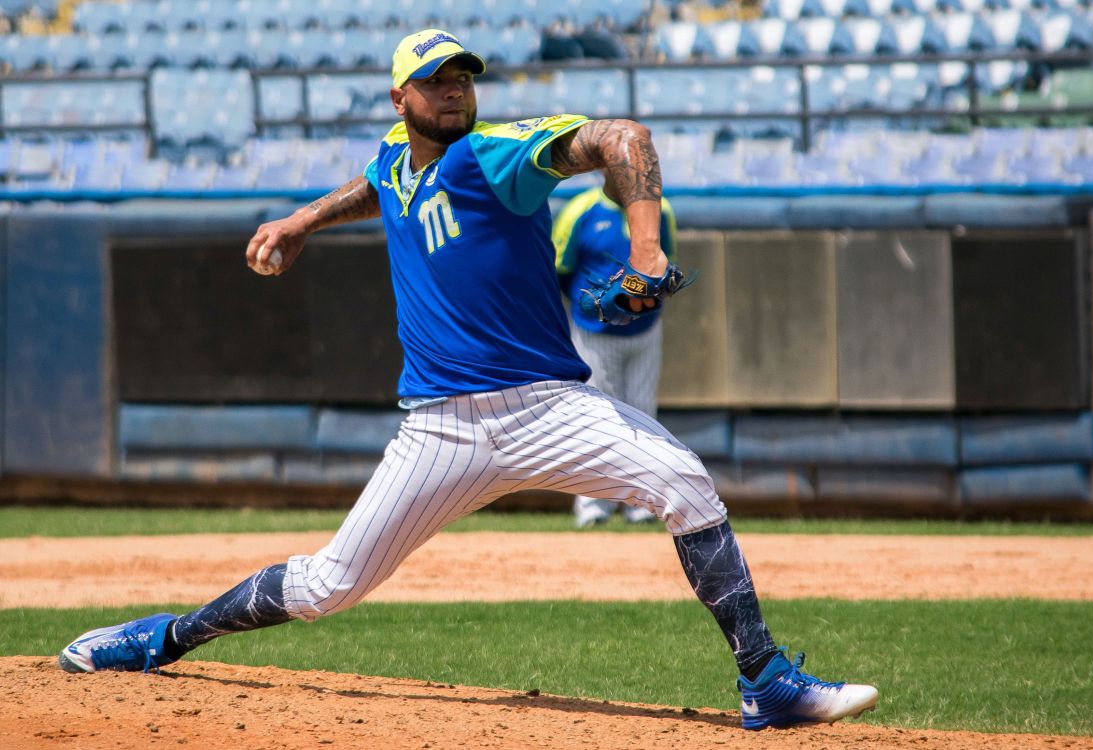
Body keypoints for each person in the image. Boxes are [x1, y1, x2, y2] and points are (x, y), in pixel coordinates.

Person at [57, 29, 878, 731]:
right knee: (326, 586)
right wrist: (304, 218)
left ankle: (764, 681)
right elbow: (378, 183)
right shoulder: (396, 159)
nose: (453, 90)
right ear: (400, 98)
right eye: (435, 80)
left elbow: (622, 137)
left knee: (685, 482)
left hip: (547, 408)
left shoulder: (496, 154)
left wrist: (645, 247)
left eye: (462, 77)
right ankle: (165, 637)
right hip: (440, 430)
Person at [554, 173, 676, 528]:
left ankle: (642, 503)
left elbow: (665, 263)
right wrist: (590, 303)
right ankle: (594, 504)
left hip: (644, 330)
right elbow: (560, 270)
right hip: (595, 332)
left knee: (643, 413)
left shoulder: (661, 210)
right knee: (597, 416)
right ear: (604, 166)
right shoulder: (581, 210)